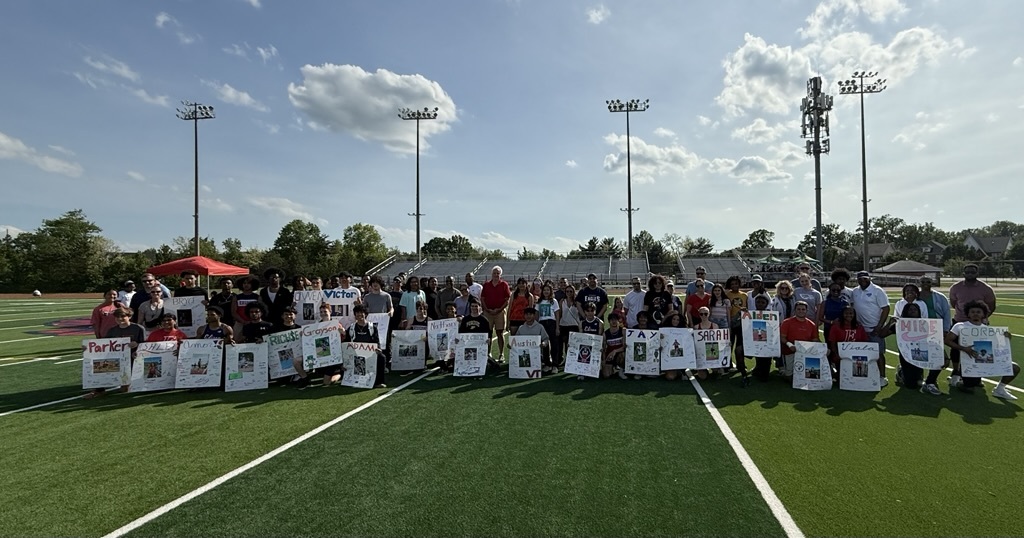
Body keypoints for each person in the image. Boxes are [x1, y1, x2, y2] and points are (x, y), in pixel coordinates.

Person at [945, 300, 1019, 399]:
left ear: (984, 314)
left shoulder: (987, 329)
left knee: (1015, 367)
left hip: (985, 361)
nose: (975, 314)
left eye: (978, 312)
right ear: (968, 314)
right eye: (972, 312)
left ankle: (1000, 389)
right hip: (969, 363)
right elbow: (947, 341)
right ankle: (956, 382)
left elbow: (999, 346)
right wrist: (963, 348)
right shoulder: (960, 326)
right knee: (969, 388)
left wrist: (1006, 338)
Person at [947, 264, 997, 390]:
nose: (970, 274)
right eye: (967, 272)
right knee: (956, 348)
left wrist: (982, 318)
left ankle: (977, 375)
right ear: (963, 273)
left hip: (979, 324)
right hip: (960, 321)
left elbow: (991, 305)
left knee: (979, 349)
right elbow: (954, 303)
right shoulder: (955, 287)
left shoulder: (985, 288)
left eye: (972, 272)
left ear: (977, 273)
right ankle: (956, 370)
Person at [84, 306, 145, 399]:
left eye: (122, 316)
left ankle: (126, 383)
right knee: (99, 364)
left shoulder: (138, 328)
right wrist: (88, 348)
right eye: (117, 317)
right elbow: (103, 344)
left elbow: (145, 344)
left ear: (129, 316)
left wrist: (137, 344)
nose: (120, 319)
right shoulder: (112, 330)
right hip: (117, 358)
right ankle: (98, 390)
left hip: (134, 358)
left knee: (126, 386)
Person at [851, 271, 891, 387]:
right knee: (861, 353)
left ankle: (883, 376)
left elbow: (886, 308)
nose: (862, 281)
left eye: (865, 279)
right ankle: (863, 375)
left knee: (878, 354)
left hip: (874, 328)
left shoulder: (877, 290)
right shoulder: (855, 291)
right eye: (860, 279)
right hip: (860, 329)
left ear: (869, 279)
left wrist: (879, 326)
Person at [917, 275, 952, 395]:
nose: (926, 283)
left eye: (928, 281)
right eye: (923, 282)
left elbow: (947, 314)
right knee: (920, 355)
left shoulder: (939, 297)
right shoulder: (916, 296)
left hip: (936, 330)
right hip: (919, 331)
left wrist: (946, 329)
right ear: (919, 283)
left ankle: (930, 381)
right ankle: (913, 375)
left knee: (940, 357)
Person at [346, 305, 387, 388]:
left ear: (365, 314)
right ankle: (351, 380)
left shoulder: (372, 327)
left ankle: (378, 382)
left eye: (361, 313)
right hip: (356, 354)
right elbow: (346, 343)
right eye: (357, 313)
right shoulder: (351, 328)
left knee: (381, 357)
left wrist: (378, 349)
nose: (359, 315)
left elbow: (376, 342)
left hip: (370, 353)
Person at [779, 301, 820, 381]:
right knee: (789, 378)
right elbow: (782, 337)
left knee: (808, 376)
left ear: (806, 311)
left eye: (803, 309)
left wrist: (824, 348)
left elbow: (815, 339)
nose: (801, 311)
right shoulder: (787, 322)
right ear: (795, 310)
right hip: (790, 351)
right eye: (798, 309)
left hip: (806, 353)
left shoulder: (811, 324)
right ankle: (783, 371)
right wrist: (789, 344)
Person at [827, 306, 869, 376]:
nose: (849, 315)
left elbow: (864, 342)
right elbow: (832, 342)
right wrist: (836, 354)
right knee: (842, 376)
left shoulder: (859, 326)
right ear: (842, 314)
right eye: (846, 313)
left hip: (856, 355)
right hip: (841, 355)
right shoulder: (836, 326)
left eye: (851, 313)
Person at [481, 266, 512, 362]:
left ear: (500, 274)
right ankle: (488, 353)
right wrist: (486, 309)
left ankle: (501, 354)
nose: (496, 275)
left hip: (500, 312)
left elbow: (507, 300)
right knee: (488, 333)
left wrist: (499, 309)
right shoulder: (486, 285)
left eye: (497, 273)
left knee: (500, 333)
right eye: (494, 273)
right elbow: (483, 298)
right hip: (488, 312)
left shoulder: (504, 284)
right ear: (491, 274)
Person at [514, 307, 552, 373]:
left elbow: (546, 339)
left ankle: (547, 364)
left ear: (534, 315)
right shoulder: (521, 328)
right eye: (526, 314)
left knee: (547, 345)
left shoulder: (540, 327)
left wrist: (543, 344)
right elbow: (515, 340)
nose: (528, 316)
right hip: (525, 353)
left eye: (530, 314)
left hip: (537, 352)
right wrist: (510, 344)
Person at [748, 294, 775, 382]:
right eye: (758, 302)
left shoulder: (771, 315)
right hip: (755, 339)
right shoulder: (750, 314)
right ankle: (758, 368)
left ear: (766, 304)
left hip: (767, 339)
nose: (760, 304)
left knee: (766, 356)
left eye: (762, 302)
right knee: (758, 355)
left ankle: (764, 371)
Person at [725, 276, 748, 374]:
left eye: (736, 283)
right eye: (732, 284)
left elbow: (747, 308)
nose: (734, 286)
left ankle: (741, 364)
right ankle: (728, 364)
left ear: (739, 284)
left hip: (741, 323)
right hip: (730, 323)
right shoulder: (726, 295)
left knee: (740, 346)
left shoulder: (744, 295)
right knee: (729, 344)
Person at [535, 284, 560, 373]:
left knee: (554, 344)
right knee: (544, 344)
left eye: (548, 290)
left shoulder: (554, 301)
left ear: (551, 291)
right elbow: (537, 315)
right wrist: (537, 325)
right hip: (542, 324)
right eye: (544, 290)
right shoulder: (539, 302)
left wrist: (557, 327)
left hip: (551, 323)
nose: (546, 292)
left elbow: (557, 315)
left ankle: (555, 365)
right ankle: (547, 364)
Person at [576, 302, 603, 380]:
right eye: (588, 311)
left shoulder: (600, 323)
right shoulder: (582, 323)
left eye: (592, 311)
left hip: (595, 345)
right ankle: (581, 371)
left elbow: (600, 337)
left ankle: (595, 369)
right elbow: (581, 336)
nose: (590, 313)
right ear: (585, 312)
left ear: (595, 311)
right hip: (585, 345)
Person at [556, 285, 580, 366]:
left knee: (572, 344)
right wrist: (558, 326)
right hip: (564, 324)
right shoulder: (562, 301)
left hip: (574, 325)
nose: (569, 293)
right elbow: (559, 314)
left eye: (571, 291)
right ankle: (563, 359)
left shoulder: (577, 302)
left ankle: (571, 360)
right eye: (567, 291)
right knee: (564, 342)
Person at [661, 312, 688, 381]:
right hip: (668, 358)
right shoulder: (664, 330)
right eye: (674, 319)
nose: (675, 321)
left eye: (678, 320)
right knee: (670, 377)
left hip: (680, 358)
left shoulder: (684, 332)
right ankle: (674, 371)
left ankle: (681, 371)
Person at [601, 313, 627, 379]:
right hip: (610, 355)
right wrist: (603, 361)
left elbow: (624, 347)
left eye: (615, 320)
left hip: (619, 353)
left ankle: (621, 370)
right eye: (612, 320)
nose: (614, 322)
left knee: (623, 355)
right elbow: (604, 349)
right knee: (606, 375)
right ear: (609, 321)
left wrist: (615, 351)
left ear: (619, 321)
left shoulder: (623, 331)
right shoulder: (605, 334)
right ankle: (614, 369)